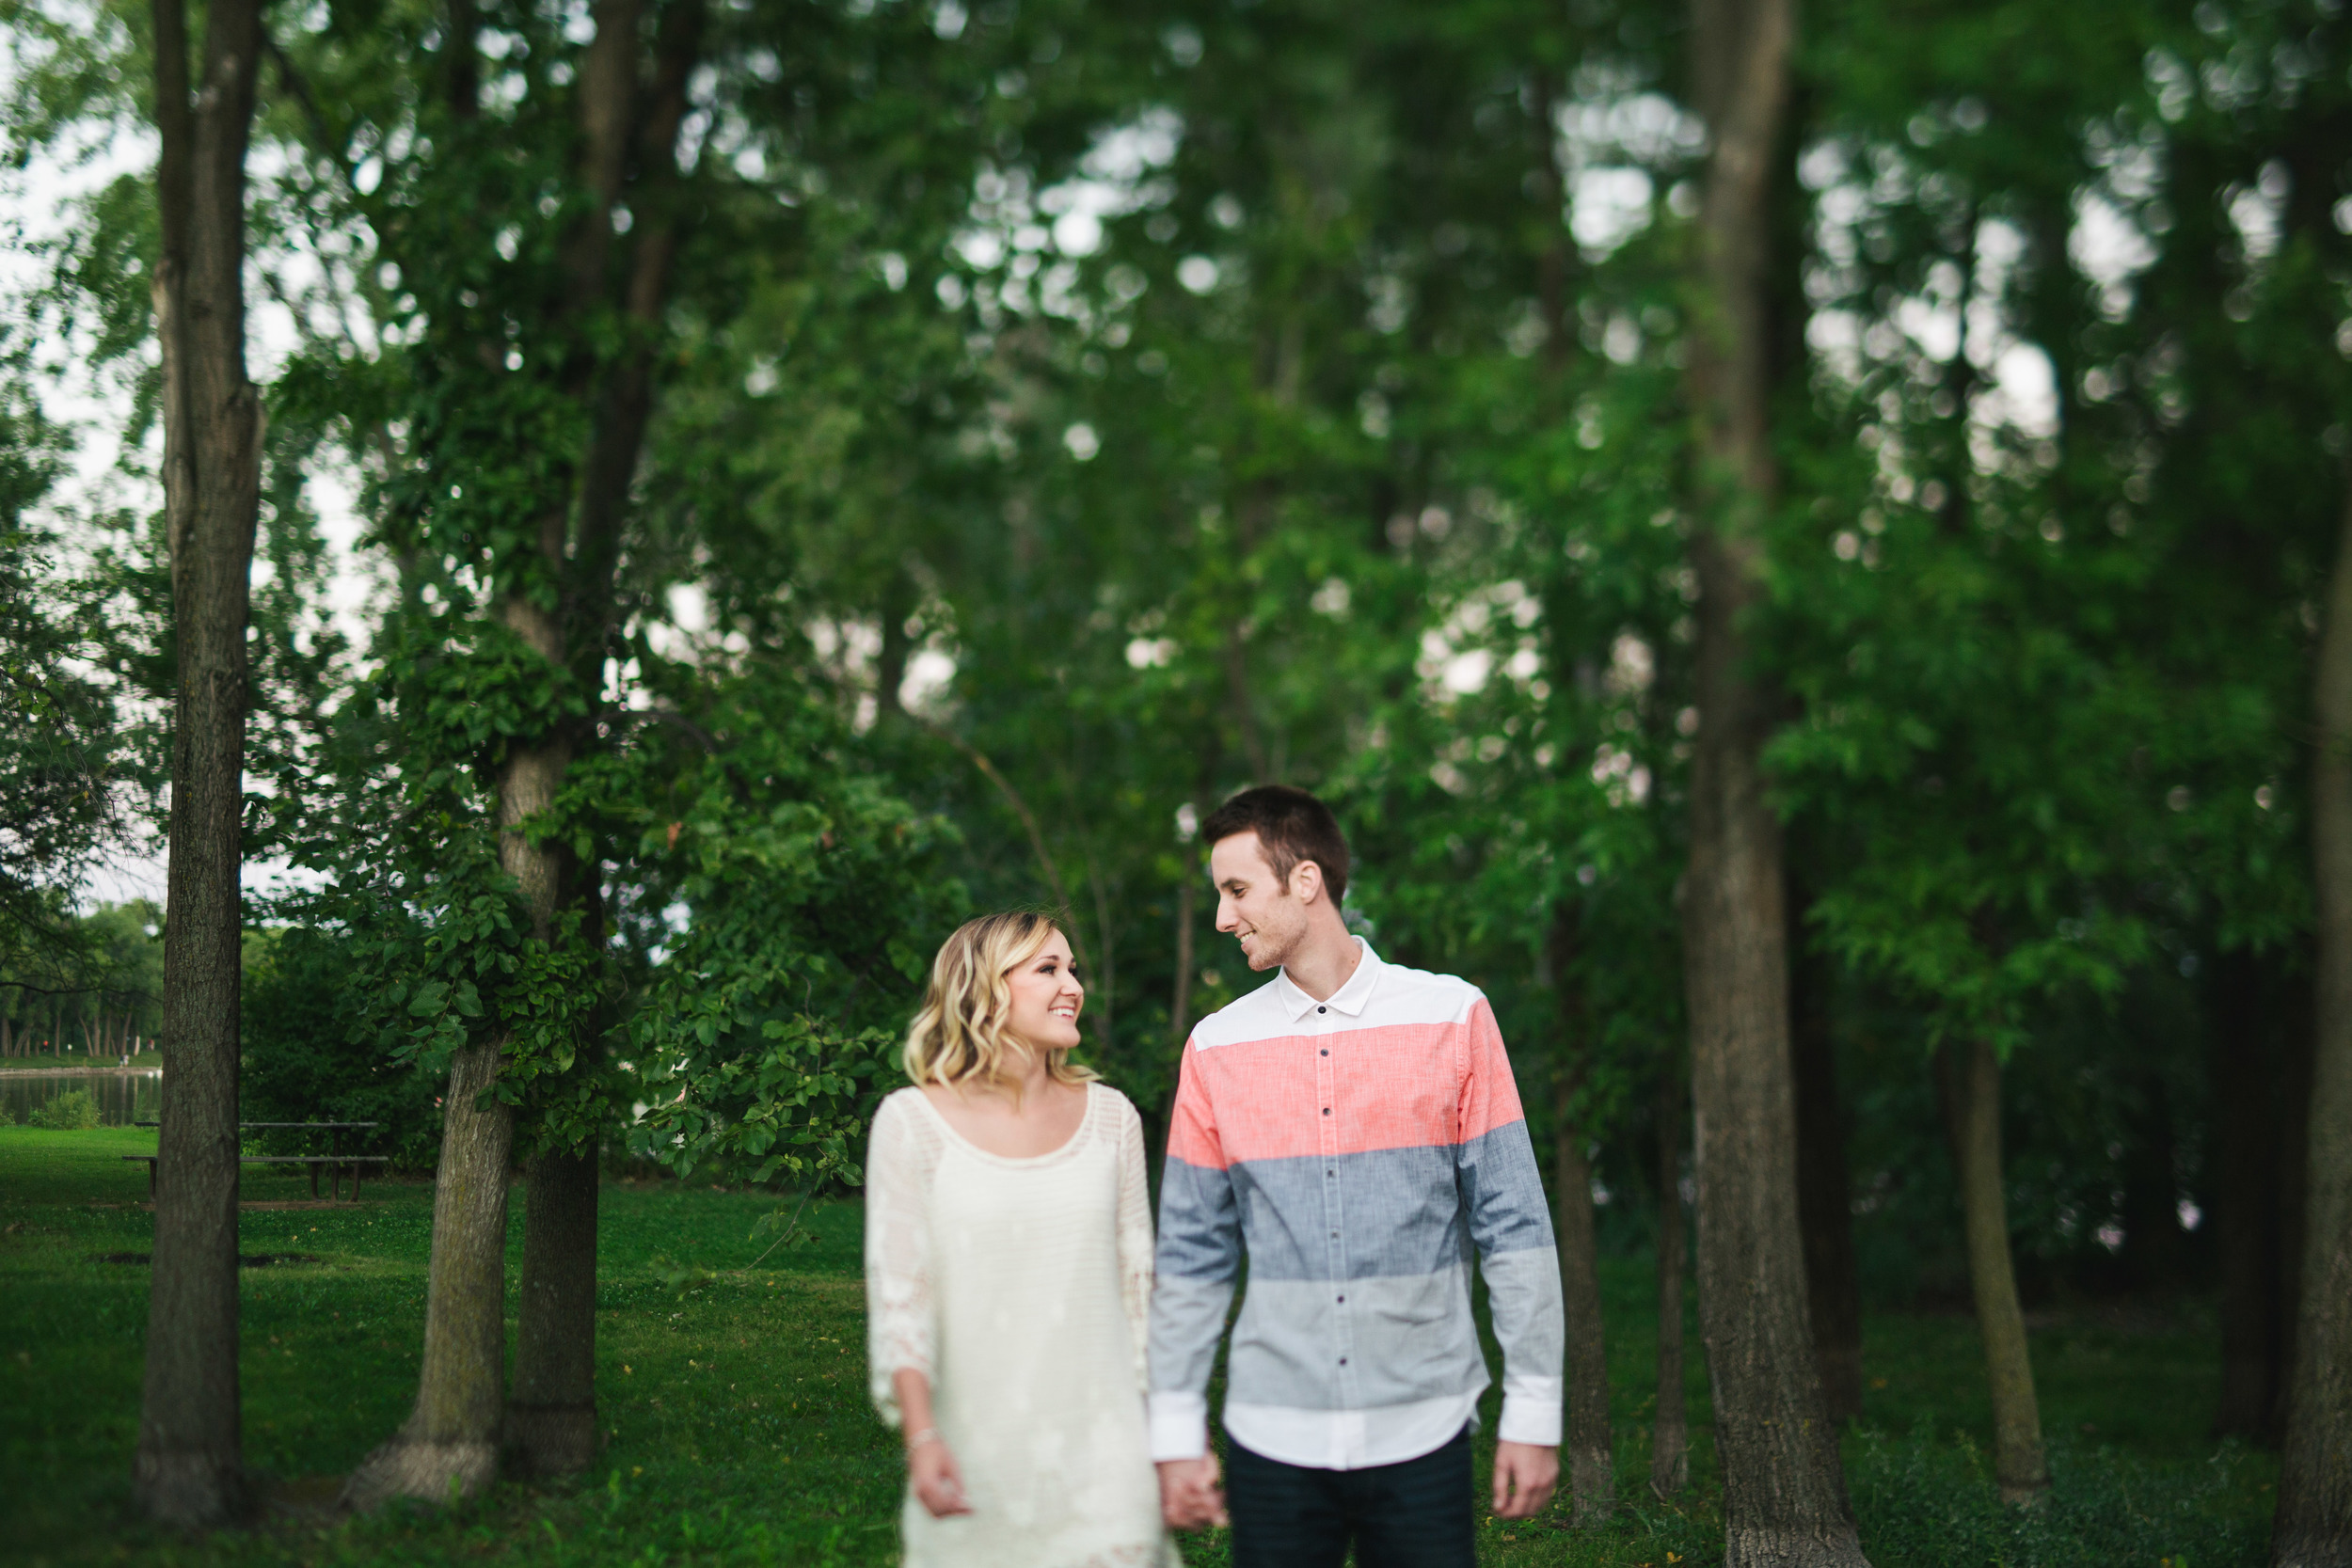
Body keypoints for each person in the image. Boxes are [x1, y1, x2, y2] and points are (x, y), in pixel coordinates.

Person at [1150, 785, 1565, 1566]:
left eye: (1236, 890)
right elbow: (1191, 1253)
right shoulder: (1214, 1047)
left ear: (1304, 881)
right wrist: (1174, 1426)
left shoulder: (1453, 1016)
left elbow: (1514, 1228)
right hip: (1270, 1437)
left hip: (1425, 1430)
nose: (1221, 917)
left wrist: (1534, 1409)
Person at [865, 911, 1180, 1568]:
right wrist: (922, 1437)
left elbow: (1141, 1295)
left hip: (1107, 1467)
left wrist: (1170, 1441)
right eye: (1048, 968)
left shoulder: (1113, 1119)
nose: (1073, 985)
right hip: (975, 1463)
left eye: (1073, 968)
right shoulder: (910, 1123)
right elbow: (902, 1297)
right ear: (986, 987)